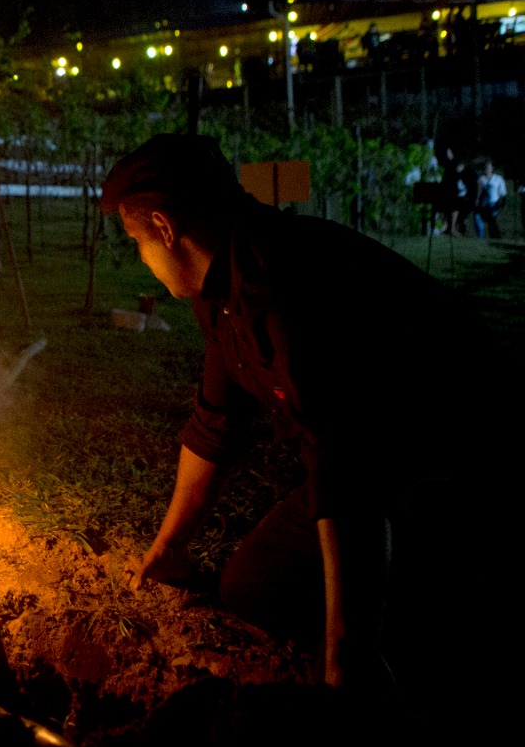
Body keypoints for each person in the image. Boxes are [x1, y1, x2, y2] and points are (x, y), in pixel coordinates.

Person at [103, 135, 504, 722]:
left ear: (163, 227)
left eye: (136, 241)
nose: (140, 257)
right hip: (374, 463)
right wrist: (170, 547)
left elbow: (347, 468)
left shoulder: (282, 287)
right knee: (251, 588)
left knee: (367, 643)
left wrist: (347, 651)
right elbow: (216, 422)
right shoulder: (222, 287)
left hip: (451, 460)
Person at [474, 159, 507, 239]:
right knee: (478, 218)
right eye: (485, 167)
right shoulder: (481, 179)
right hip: (483, 204)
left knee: (492, 221)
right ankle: (480, 237)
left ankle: (495, 237)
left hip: (493, 203)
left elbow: (503, 193)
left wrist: (501, 203)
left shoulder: (498, 179)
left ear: (492, 168)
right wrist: (477, 200)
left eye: (488, 167)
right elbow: (478, 191)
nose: (487, 169)